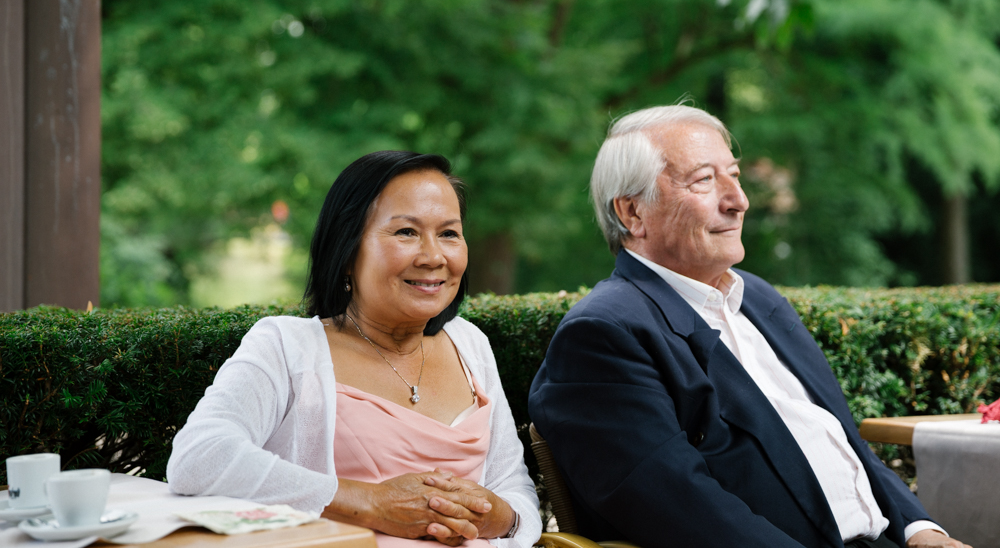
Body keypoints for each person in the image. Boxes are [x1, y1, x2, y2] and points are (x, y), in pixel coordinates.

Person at [528, 104, 971, 548]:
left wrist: (921, 530)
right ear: (632, 213)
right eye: (704, 180)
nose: (738, 201)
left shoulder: (757, 298)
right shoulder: (603, 334)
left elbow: (842, 440)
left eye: (734, 176)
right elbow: (686, 511)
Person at [168, 151, 541, 548]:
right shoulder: (286, 347)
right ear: (347, 251)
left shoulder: (470, 344)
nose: (434, 257)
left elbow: (513, 487)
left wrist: (493, 514)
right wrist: (369, 502)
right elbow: (199, 458)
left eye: (449, 233)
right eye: (406, 233)